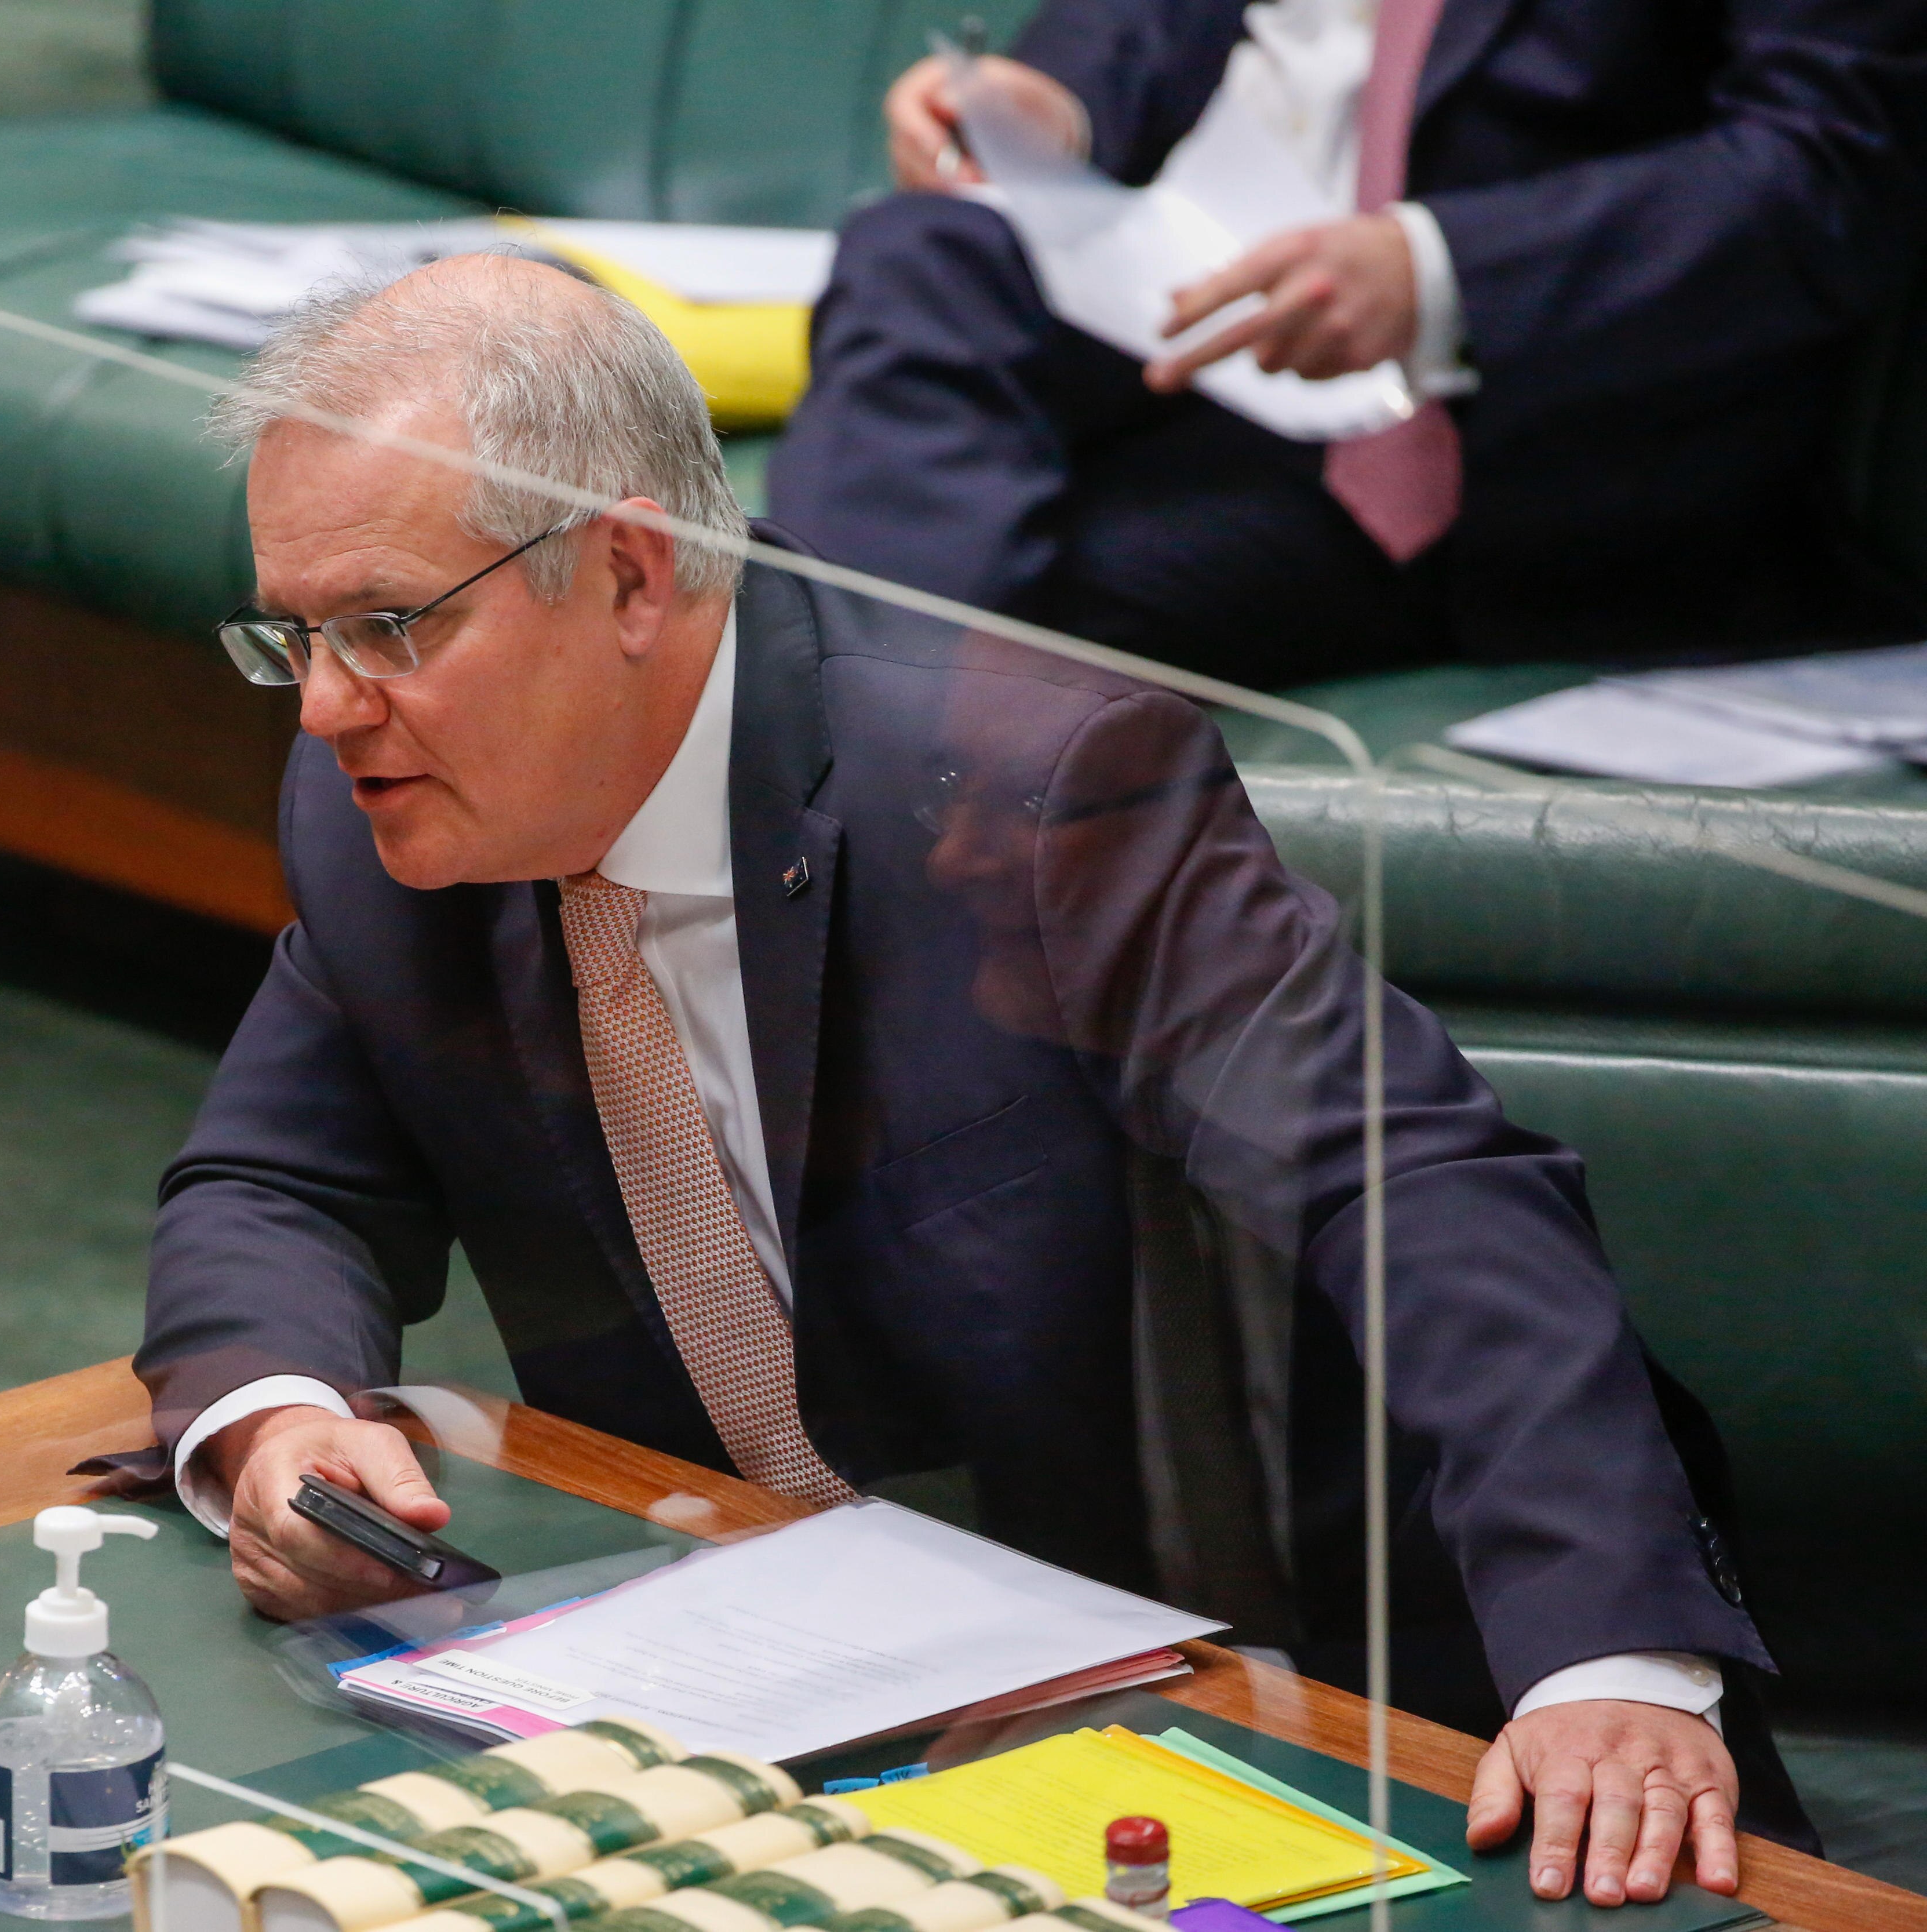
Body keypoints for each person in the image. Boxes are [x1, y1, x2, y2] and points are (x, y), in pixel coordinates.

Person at [138, 253, 1804, 1909]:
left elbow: (1410, 1176)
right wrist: (278, 1413)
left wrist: (1608, 1652)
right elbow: (278, 1181)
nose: (328, 710)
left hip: (1299, 1695)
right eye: (294, 636)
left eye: (387, 626)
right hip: (772, 1702)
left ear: (631, 574)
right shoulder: (388, 822)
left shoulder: (1029, 779)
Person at [764, 0, 1927, 690]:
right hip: (1199, 285)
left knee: (973, 619)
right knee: (922, 252)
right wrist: (1051, 103)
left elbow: (1830, 170)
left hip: (1504, 420)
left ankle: (790, 842)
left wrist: (1440, 274)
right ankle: (800, 821)